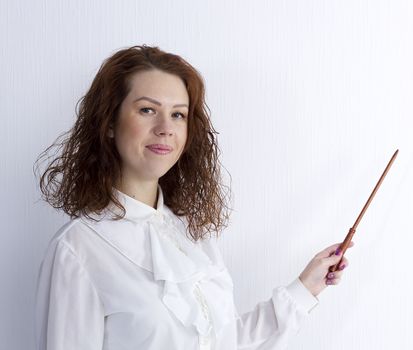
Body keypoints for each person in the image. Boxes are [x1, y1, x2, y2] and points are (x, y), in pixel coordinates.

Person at [34, 45, 352, 350]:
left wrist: (307, 285)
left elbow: (226, 343)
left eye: (178, 115)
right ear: (109, 124)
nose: (165, 128)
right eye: (147, 110)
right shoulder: (78, 250)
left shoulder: (190, 236)